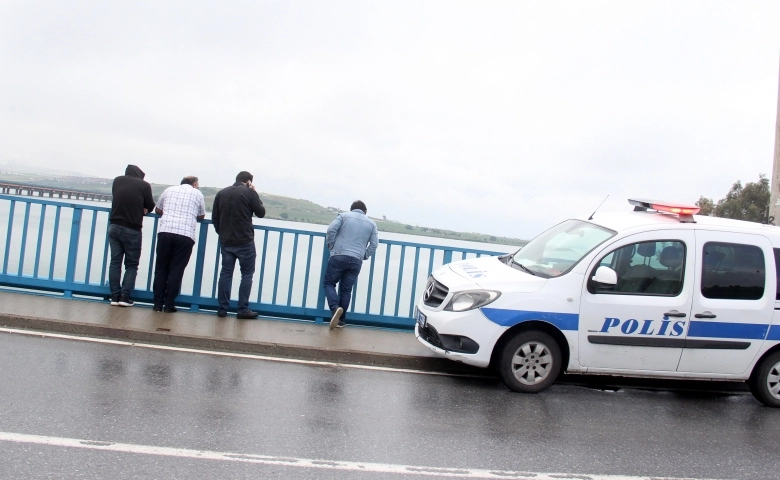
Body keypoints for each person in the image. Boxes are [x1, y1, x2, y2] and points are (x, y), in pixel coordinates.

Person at [212, 171, 266, 319]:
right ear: (248, 181)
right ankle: (242, 309)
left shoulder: (221, 193)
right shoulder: (249, 193)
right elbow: (261, 212)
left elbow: (215, 218)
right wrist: (255, 194)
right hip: (245, 241)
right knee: (247, 275)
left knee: (226, 273)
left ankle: (222, 309)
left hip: (226, 241)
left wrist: (222, 233)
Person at [151, 176, 206, 313]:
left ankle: (157, 304)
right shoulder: (197, 193)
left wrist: (169, 214)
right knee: (176, 270)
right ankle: (169, 305)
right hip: (185, 235)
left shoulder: (169, 190)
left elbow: (158, 209)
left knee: (161, 269)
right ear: (194, 183)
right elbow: (202, 216)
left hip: (166, 232)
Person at [324, 200, 378, 329]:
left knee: (329, 283)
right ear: (365, 211)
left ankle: (335, 308)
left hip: (338, 255)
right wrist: (365, 254)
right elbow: (374, 244)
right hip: (356, 260)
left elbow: (331, 230)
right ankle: (341, 321)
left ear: (351, 209)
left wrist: (331, 245)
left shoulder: (343, 216)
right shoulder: (371, 224)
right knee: (346, 290)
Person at [108, 165, 156, 307]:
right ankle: (124, 297)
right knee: (132, 265)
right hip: (132, 228)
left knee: (115, 262)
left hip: (114, 225)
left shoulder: (117, 180)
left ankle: (114, 297)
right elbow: (150, 205)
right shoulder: (144, 185)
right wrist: (143, 209)